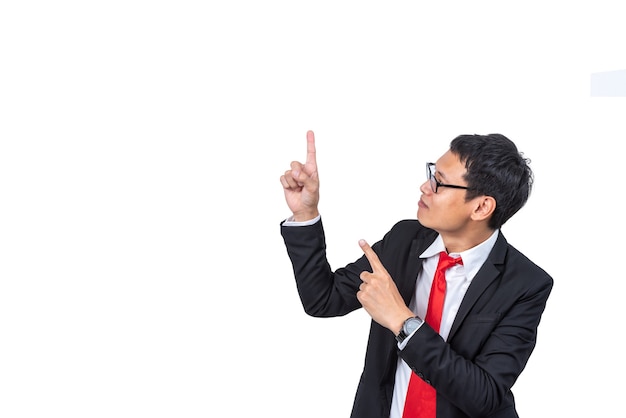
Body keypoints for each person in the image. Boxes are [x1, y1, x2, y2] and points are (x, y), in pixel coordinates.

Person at [279, 130, 553, 418]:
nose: (425, 186)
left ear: (482, 206)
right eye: (431, 173)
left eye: (440, 183)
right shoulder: (403, 240)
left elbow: (483, 396)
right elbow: (322, 300)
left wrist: (402, 321)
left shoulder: (526, 284)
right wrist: (305, 214)